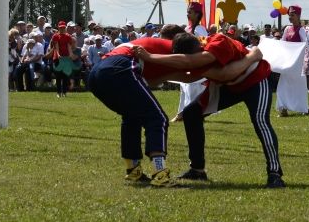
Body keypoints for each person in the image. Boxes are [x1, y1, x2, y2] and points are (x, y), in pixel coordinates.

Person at [134, 31, 284, 187]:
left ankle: (275, 173)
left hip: (254, 79)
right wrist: (147, 79)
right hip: (228, 83)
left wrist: (150, 57)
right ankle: (197, 169)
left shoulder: (218, 41)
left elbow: (224, 72)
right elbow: (207, 73)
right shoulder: (196, 58)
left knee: (260, 121)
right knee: (191, 113)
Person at [87, 25, 199, 186]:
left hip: (98, 73)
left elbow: (152, 80)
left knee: (132, 117)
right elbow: (188, 61)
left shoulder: (153, 52)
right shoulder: (171, 45)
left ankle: (133, 170)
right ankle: (160, 173)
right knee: (157, 118)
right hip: (119, 66)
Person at [276, 4, 309, 116]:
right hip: (287, 61)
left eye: (293, 15)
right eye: (289, 15)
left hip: (298, 63)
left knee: (299, 86)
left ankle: (304, 107)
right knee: (284, 84)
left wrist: (306, 61)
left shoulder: (301, 30)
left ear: (298, 16)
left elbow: (306, 45)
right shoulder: (287, 29)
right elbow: (282, 43)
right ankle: (283, 108)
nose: (290, 17)